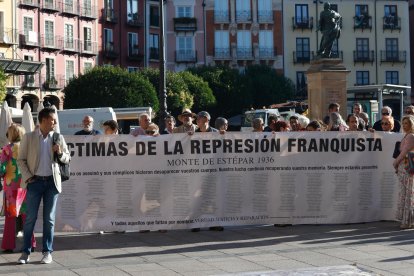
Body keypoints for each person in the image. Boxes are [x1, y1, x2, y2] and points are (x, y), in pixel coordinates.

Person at [17, 107, 70, 264]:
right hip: (35, 182)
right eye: (52, 119)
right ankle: (25, 252)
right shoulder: (29, 137)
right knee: (30, 219)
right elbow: (21, 160)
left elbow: (67, 158)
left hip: (52, 183)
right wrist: (28, 178)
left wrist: (60, 153)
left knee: (49, 219)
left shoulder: (58, 137)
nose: (54, 122)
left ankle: (47, 252)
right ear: (44, 120)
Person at [0, 124, 36, 253]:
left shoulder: (6, 149)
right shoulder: (28, 148)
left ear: (11, 134)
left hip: (11, 187)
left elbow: (1, 168)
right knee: (27, 216)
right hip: (27, 184)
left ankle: (9, 245)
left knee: (10, 218)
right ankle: (31, 243)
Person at [393, 115, 414, 229]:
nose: (405, 125)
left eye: (407, 123)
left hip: (407, 167)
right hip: (403, 167)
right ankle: (407, 220)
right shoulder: (406, 135)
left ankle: (408, 221)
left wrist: (395, 162)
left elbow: (404, 152)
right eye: (404, 123)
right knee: (404, 193)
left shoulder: (410, 136)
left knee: (407, 194)